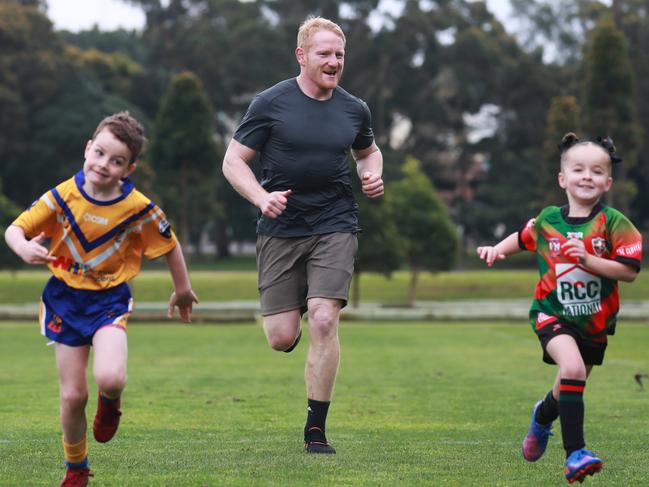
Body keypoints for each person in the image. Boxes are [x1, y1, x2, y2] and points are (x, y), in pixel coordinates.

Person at [5, 111, 198, 487]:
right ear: (87, 149)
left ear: (129, 169)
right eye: (100, 154)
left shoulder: (137, 207)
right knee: (74, 395)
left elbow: (170, 244)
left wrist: (183, 289)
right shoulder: (62, 196)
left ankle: (111, 403)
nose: (104, 165)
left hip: (109, 301)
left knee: (109, 377)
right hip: (64, 300)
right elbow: (16, 228)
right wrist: (22, 246)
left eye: (117, 161)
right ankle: (76, 467)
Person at [222, 16, 383, 454]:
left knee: (326, 318)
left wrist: (372, 175)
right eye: (325, 54)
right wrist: (260, 198)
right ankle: (293, 319)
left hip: (335, 221)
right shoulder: (270, 103)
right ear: (302, 56)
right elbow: (233, 161)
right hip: (281, 227)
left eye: (339, 55)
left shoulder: (354, 108)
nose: (334, 62)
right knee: (281, 337)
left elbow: (368, 151)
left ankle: (316, 430)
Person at [477, 133, 641, 484]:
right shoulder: (549, 219)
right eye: (578, 169)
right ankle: (575, 454)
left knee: (567, 384)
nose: (587, 176)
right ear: (562, 178)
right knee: (573, 369)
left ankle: (542, 415)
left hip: (595, 322)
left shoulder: (615, 224)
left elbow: (628, 272)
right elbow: (523, 237)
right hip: (551, 313)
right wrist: (497, 249)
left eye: (596, 171)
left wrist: (589, 259)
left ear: (608, 182)